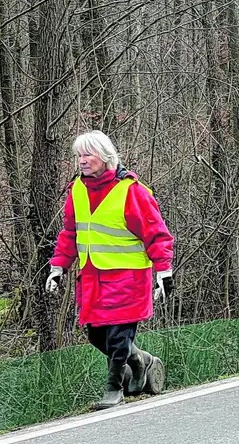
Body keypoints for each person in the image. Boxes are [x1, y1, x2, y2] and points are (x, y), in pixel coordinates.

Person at [46, 130, 174, 410]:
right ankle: (140, 360)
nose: (82, 160)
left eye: (88, 154)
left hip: (128, 278)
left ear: (105, 157)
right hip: (92, 278)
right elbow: (70, 233)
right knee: (96, 336)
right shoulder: (77, 190)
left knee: (118, 337)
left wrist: (164, 272)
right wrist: (58, 267)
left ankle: (114, 388)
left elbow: (156, 234)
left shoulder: (131, 191)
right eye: (79, 155)